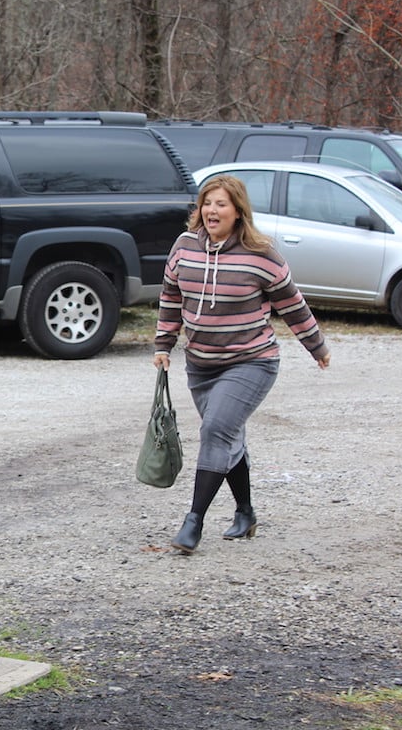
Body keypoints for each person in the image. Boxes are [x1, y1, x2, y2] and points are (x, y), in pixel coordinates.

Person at [154, 174, 330, 554]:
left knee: (216, 429)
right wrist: (163, 343)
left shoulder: (260, 253)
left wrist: (316, 346)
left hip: (252, 361)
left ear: (238, 211)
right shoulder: (185, 246)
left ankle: (193, 522)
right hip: (201, 364)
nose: (212, 210)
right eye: (207, 203)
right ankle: (246, 513)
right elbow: (171, 296)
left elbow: (291, 303)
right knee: (227, 436)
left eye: (221, 204)